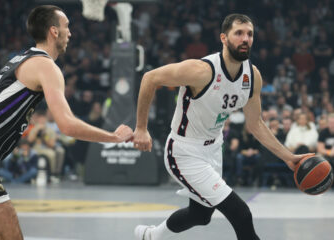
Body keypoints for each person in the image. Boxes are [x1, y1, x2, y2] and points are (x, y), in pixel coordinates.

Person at [132, 14, 312, 240]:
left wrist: (288, 156)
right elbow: (150, 78)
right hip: (184, 152)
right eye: (239, 33)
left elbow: (255, 124)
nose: (245, 38)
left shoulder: (252, 76)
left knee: (200, 215)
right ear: (224, 38)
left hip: (214, 149)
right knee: (241, 214)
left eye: (250, 34)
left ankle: (150, 236)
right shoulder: (201, 70)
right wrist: (141, 127)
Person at [0, 5, 133, 240]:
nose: (71, 33)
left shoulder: (19, 59)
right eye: (67, 26)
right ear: (54, 31)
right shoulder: (46, 66)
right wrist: (113, 137)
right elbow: (67, 125)